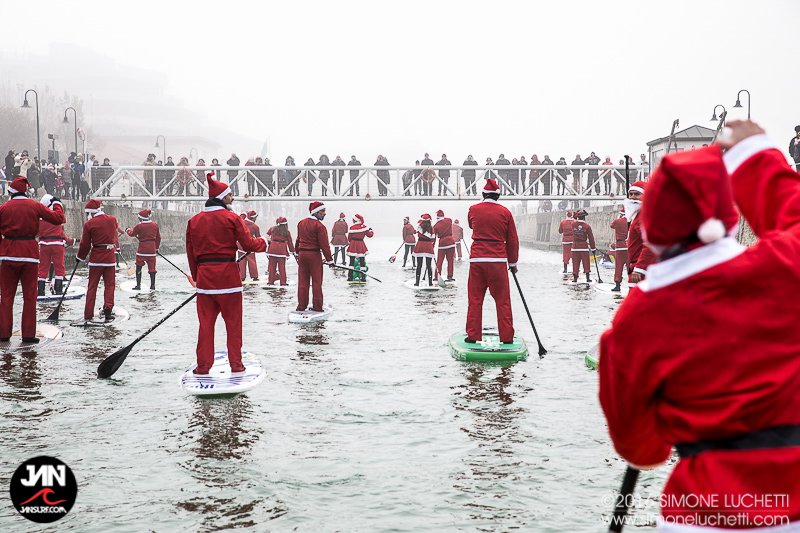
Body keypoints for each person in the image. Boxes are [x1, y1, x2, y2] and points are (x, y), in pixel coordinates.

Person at [600, 120, 800, 528]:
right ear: (728, 217)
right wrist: (755, 156)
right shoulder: (783, 267)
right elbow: (791, 216)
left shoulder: (635, 320)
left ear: (650, 226)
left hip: (701, 511)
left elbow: (641, 449)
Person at [186, 173, 267, 374]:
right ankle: (236, 366)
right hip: (229, 279)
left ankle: (203, 367)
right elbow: (248, 244)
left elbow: (191, 252)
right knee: (233, 325)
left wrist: (197, 277)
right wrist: (264, 242)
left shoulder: (194, 221)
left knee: (205, 326)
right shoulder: (232, 218)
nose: (232, 199)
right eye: (230, 195)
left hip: (205, 280)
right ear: (222, 198)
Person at [0, 179, 65, 342]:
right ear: (26, 191)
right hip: (29, 253)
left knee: (6, 296)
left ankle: (3, 334)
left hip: (8, 253)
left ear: (10, 192)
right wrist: (56, 203)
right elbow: (58, 218)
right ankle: (28, 335)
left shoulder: (3, 208)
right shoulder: (35, 206)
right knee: (30, 296)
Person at [465, 179, 519, 344]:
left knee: (475, 299)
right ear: (498, 196)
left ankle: (473, 336)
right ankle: (507, 337)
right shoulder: (505, 213)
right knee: (503, 300)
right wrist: (513, 263)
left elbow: (470, 225)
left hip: (477, 260)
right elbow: (512, 240)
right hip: (497, 261)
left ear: (483, 194)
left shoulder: (473, 210)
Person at [76, 199, 120, 322]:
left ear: (90, 213)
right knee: (110, 285)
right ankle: (108, 309)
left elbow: (85, 244)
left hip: (96, 259)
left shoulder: (89, 224)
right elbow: (114, 235)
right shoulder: (112, 220)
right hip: (110, 258)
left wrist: (80, 257)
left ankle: (88, 314)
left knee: (92, 287)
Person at [295, 201, 334, 311]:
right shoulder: (320, 226)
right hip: (314, 255)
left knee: (303, 282)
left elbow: (298, 240)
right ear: (315, 212)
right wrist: (330, 260)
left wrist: (296, 253)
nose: (324, 214)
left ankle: (301, 306)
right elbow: (325, 245)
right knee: (317, 282)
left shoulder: (301, 223)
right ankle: (317, 307)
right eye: (322, 211)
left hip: (302, 255)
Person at [625, 180, 656, 282]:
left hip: (640, 270)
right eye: (631, 194)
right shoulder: (638, 215)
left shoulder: (644, 216)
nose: (633, 197)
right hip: (636, 266)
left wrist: (639, 268)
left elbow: (649, 243)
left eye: (637, 194)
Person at [125, 209, 161, 291]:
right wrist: (156, 248)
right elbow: (158, 238)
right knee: (152, 268)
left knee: (139, 267)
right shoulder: (155, 225)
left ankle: (138, 285)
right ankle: (152, 286)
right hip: (152, 249)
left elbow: (132, 234)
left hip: (142, 250)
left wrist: (128, 230)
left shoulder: (139, 226)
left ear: (141, 218)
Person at [265, 217, 294, 286]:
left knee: (272, 267)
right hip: (281, 251)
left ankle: (270, 282)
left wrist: (269, 243)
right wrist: (293, 251)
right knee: (282, 268)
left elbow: (266, 236)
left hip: (272, 250)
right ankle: (283, 283)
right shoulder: (287, 232)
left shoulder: (272, 229)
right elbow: (290, 243)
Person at [570, 209, 595, 283]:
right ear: (584, 217)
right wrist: (593, 248)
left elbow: (573, 217)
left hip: (575, 247)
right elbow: (591, 238)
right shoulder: (587, 226)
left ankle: (575, 278)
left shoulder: (573, 224)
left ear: (578, 217)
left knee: (575, 263)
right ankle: (587, 278)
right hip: (584, 247)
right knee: (586, 262)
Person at [346, 214, 374, 281]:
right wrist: (371, 230)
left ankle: (350, 277)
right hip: (361, 244)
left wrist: (351, 241)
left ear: (356, 220)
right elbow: (369, 235)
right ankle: (363, 277)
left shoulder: (352, 227)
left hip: (353, 244)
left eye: (353, 219)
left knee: (351, 261)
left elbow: (349, 238)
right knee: (362, 261)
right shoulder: (364, 227)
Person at [609, 206, 628, 292]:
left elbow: (611, 226)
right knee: (630, 266)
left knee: (619, 266)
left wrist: (617, 219)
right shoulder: (631, 221)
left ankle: (617, 285)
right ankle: (632, 285)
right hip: (629, 246)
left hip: (620, 246)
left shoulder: (617, 221)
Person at [433, 209, 456, 281]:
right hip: (451, 242)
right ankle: (450, 276)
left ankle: (437, 277)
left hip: (442, 243)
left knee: (439, 261)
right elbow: (449, 219)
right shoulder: (449, 220)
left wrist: (432, 245)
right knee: (450, 261)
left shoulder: (436, 225)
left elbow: (434, 237)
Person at [413, 214, 436, 286]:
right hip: (428, 246)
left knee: (419, 265)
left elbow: (415, 232)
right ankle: (430, 283)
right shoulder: (432, 229)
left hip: (420, 245)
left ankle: (417, 283)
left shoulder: (419, 226)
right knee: (429, 265)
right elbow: (433, 239)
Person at [239, 210, 261, 281]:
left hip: (240, 245)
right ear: (253, 218)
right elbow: (258, 238)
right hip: (250, 245)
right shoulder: (255, 227)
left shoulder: (241, 222)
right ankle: (254, 276)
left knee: (241, 261)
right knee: (252, 261)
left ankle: (241, 277)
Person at [557, 210, 574, 275]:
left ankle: (565, 269)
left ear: (566, 215)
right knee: (574, 255)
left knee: (566, 254)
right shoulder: (574, 222)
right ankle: (575, 268)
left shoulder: (563, 222)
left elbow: (560, 231)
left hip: (565, 240)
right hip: (573, 240)